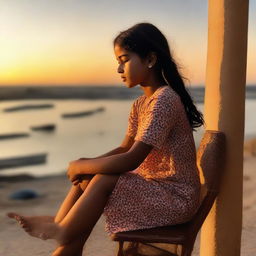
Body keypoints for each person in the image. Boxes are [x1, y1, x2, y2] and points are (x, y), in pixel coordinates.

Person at [7, 22, 204, 256]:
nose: (119, 69)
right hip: (156, 191)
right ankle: (64, 233)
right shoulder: (141, 104)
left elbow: (131, 159)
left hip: (175, 199)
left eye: (125, 59)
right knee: (90, 175)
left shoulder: (165, 100)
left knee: (103, 179)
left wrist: (79, 165)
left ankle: (62, 230)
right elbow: (124, 148)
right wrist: (85, 165)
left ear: (150, 59)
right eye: (118, 62)